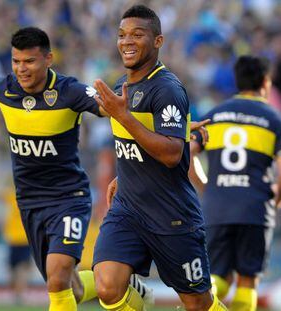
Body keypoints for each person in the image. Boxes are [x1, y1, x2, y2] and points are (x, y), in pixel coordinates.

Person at [0, 27, 207, 311]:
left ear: (48, 59)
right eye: (16, 62)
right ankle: (133, 293)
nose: (22, 69)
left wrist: (177, 128)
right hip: (30, 202)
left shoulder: (71, 92)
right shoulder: (2, 90)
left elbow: (120, 111)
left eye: (30, 61)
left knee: (57, 273)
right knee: (64, 284)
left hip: (69, 197)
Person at [92, 5, 227, 311]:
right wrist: (123, 176)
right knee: (107, 286)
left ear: (158, 41)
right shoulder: (121, 87)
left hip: (172, 216)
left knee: (198, 303)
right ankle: (141, 296)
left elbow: (170, 154)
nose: (127, 41)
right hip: (128, 209)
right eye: (122, 35)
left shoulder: (167, 89)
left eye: (137, 34)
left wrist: (124, 117)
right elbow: (135, 143)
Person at [189, 55, 281, 311]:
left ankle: (198, 305)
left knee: (218, 275)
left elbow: (188, 153)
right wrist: (275, 198)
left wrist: (207, 187)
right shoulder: (273, 120)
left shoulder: (215, 115)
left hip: (218, 207)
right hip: (255, 207)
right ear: (265, 82)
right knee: (247, 280)